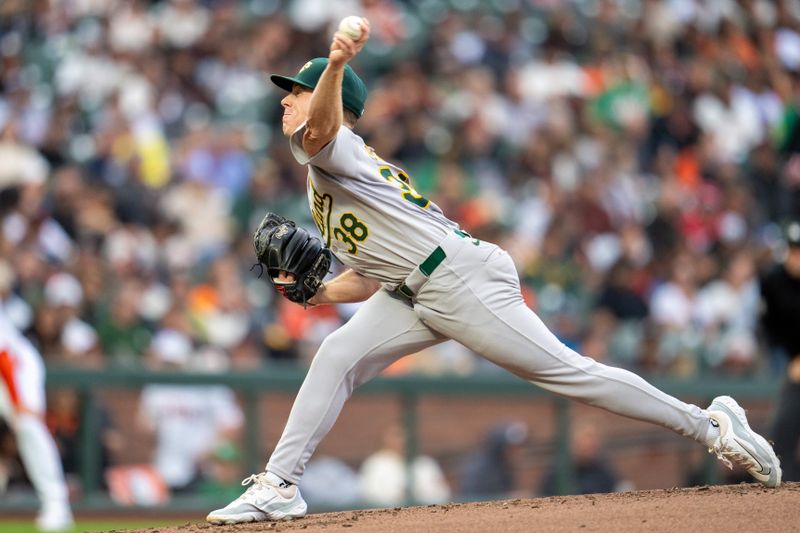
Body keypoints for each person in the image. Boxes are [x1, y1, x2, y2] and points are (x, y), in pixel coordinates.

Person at [206, 18, 782, 524]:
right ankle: (279, 486)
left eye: (298, 92)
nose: (286, 99)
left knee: (568, 373)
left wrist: (333, 65)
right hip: (415, 288)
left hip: (457, 279)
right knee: (335, 355)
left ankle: (710, 426)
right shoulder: (324, 183)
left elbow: (324, 126)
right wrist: (316, 295)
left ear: (333, 104)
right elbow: (367, 273)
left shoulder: (339, 146)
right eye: (289, 92)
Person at [0, 310, 74, 531]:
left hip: (16, 367)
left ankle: (57, 505)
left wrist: (17, 400)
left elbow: (4, 357)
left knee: (29, 427)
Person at [760, 221, 800, 481]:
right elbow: (770, 330)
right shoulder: (774, 281)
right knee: (777, 445)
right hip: (793, 368)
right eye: (794, 251)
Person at [458, 422, 528, 500]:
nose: (517, 451)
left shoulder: (504, 466)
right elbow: (472, 499)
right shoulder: (480, 469)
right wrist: (509, 497)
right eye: (511, 447)